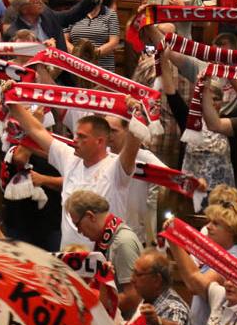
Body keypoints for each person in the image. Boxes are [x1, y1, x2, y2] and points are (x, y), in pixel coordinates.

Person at [9, 105, 142, 249]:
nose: (74, 140)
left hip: (104, 261)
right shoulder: (70, 159)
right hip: (68, 258)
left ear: (100, 141)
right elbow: (36, 130)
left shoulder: (116, 168)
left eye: (82, 137)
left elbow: (132, 148)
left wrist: (139, 116)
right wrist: (12, 103)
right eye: (75, 135)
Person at [63, 190, 143, 306]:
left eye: (78, 225)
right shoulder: (105, 240)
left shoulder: (122, 243)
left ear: (90, 216)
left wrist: (90, 305)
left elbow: (132, 298)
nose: (79, 231)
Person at [125, 249, 191, 325]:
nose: (132, 279)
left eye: (138, 274)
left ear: (157, 280)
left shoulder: (174, 308)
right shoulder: (148, 298)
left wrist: (157, 322)